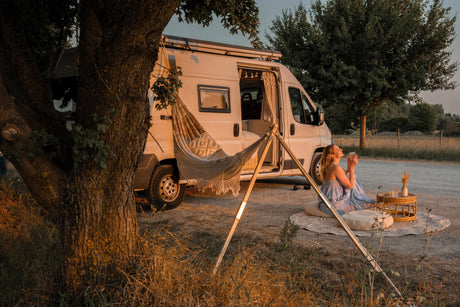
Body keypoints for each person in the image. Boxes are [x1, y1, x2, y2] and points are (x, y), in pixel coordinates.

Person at [318, 144, 376, 216]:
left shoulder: (332, 166)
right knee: (371, 203)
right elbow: (350, 186)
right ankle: (359, 197)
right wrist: (352, 168)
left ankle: (359, 197)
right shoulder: (335, 168)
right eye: (338, 150)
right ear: (332, 155)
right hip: (335, 202)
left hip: (329, 199)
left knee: (350, 175)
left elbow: (345, 173)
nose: (341, 150)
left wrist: (350, 164)